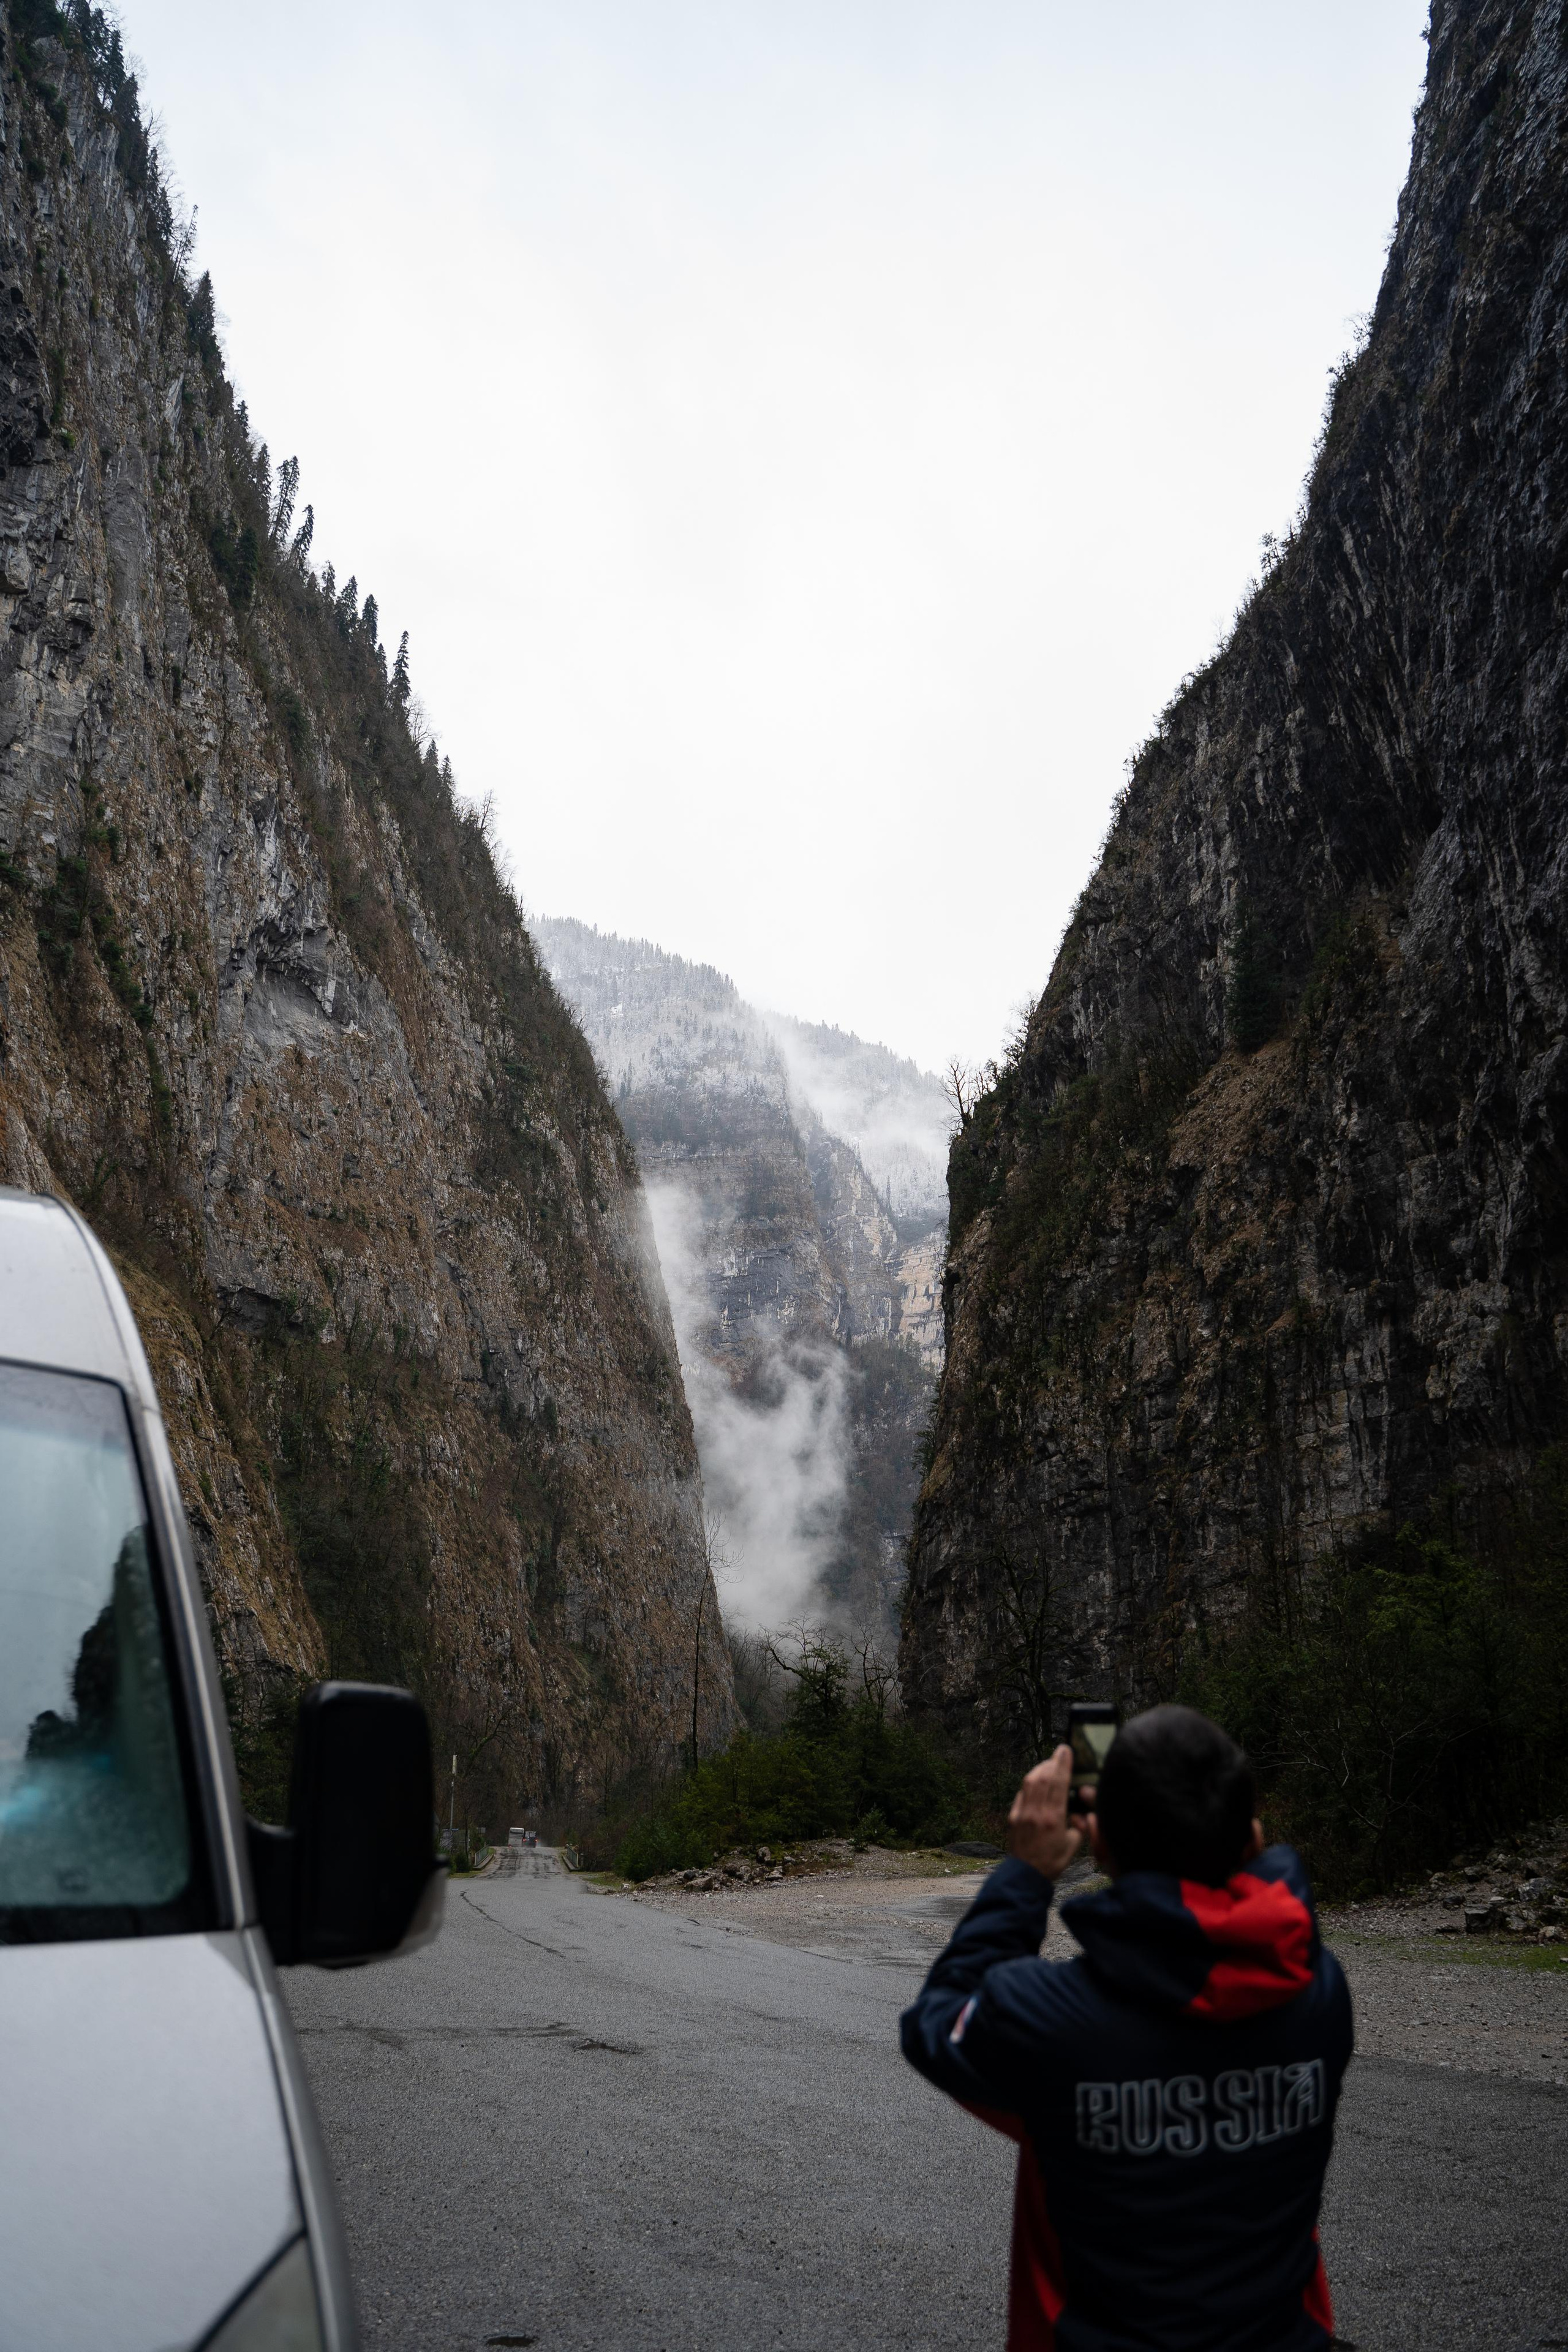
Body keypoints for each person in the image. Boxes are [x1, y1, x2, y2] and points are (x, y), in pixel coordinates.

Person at [901, 1705, 1352, 2352]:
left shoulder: (1053, 2023)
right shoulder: (1320, 1995)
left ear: (1103, 1845)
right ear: (1250, 1839)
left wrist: (1026, 1873)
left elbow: (936, 2022)